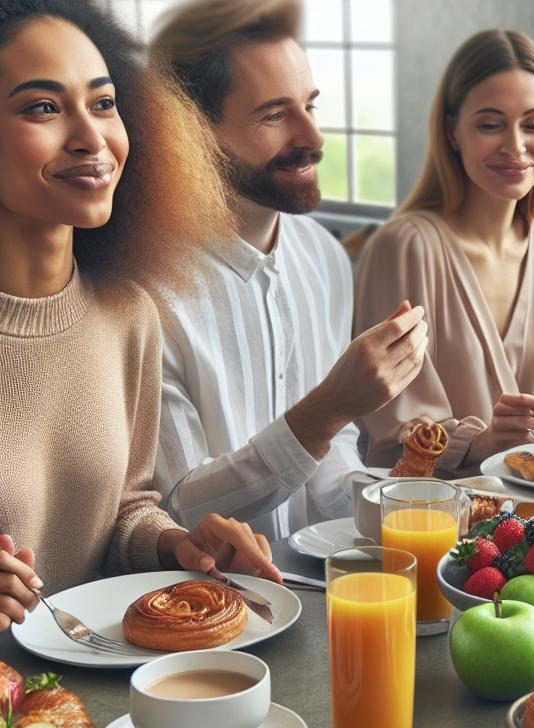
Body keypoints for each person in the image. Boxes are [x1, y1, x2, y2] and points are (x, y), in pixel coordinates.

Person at [0, 0, 279, 632]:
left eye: (102, 103)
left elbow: (123, 508)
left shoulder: (127, 315)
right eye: (42, 107)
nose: (91, 137)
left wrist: (177, 545)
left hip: (99, 693)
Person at [149, 0, 428, 541]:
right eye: (275, 115)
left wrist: (390, 501)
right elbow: (177, 513)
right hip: (207, 610)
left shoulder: (323, 258)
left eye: (310, 107)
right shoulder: (148, 292)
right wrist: (326, 410)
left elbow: (331, 452)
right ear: (192, 132)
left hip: (319, 595)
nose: (314, 139)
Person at [354, 29, 534, 474]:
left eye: (533, 124)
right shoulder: (405, 247)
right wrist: (479, 441)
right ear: (452, 131)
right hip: (430, 520)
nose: (515, 146)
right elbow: (388, 427)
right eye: (490, 125)